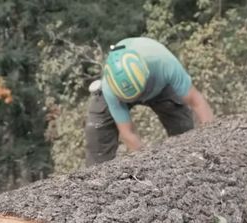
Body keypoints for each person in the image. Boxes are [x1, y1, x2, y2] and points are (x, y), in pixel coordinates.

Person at [85, 37, 214, 166]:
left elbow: (197, 102)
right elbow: (128, 132)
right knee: (97, 132)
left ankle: (188, 162)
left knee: (183, 127)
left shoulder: (163, 63)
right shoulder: (110, 89)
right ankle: (93, 180)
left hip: (159, 86)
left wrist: (212, 139)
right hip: (118, 93)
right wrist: (147, 165)